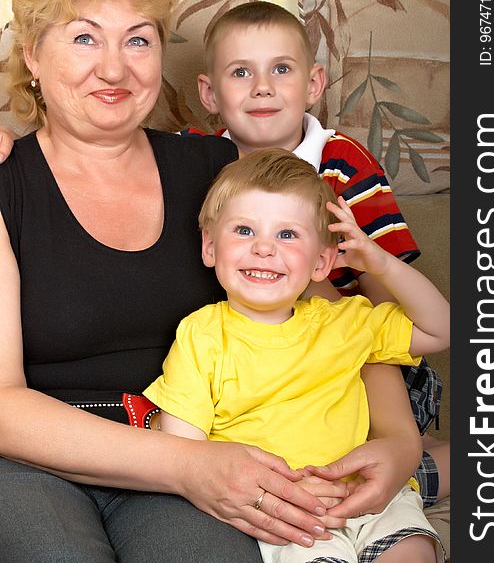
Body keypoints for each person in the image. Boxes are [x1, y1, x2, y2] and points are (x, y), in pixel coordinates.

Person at [0, 0, 443, 541]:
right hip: (42, 461)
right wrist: (191, 466)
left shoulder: (221, 175)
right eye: (84, 37)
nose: (114, 68)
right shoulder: (6, 182)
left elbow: (333, 324)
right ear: (32, 55)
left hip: (207, 448)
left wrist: (400, 442)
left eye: (138, 39)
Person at [188, 0, 450, 506]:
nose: (262, 86)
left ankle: (421, 472)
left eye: (281, 69)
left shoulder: (343, 163)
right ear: (209, 92)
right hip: (255, 354)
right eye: (241, 71)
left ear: (313, 84)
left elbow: (382, 304)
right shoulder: (195, 156)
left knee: (367, 457)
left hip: (363, 351)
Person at [144, 148, 449, 562]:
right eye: (244, 231)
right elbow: (186, 453)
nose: (265, 249)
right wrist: (266, 492)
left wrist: (381, 264)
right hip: (282, 512)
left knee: (411, 552)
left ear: (322, 261)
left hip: (365, 494)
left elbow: (440, 329)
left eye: (287, 235)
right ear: (210, 247)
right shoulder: (201, 335)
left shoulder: (346, 321)